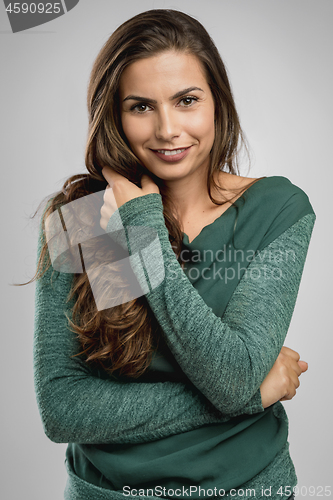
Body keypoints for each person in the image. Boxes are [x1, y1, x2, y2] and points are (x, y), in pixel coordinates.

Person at [31, 9, 315, 500]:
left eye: (186, 101)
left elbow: (231, 378)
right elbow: (63, 408)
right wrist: (253, 395)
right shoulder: (87, 216)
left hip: (247, 489)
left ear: (217, 103)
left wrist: (142, 232)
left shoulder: (276, 210)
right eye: (140, 106)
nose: (167, 129)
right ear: (114, 115)